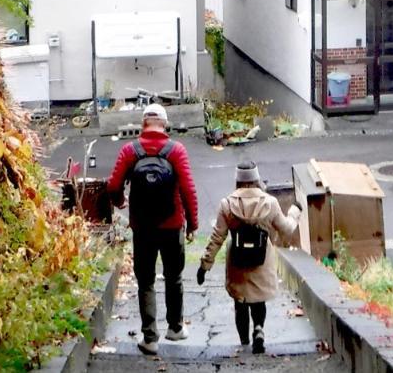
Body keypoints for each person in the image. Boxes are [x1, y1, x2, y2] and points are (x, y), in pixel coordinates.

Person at [107, 103, 199, 355]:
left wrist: (120, 202)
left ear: (143, 124)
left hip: (142, 227)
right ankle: (175, 328)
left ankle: (150, 337)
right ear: (165, 123)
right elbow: (188, 191)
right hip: (172, 226)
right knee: (174, 277)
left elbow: (113, 185)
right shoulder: (176, 150)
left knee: (145, 281)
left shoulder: (130, 150)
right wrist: (192, 224)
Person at [196, 160, 301, 355]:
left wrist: (205, 265)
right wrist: (295, 213)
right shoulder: (270, 203)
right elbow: (286, 229)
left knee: (240, 301)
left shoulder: (227, 204)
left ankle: (244, 341)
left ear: (237, 180)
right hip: (262, 259)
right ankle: (259, 328)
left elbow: (217, 237)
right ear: (256, 179)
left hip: (237, 261)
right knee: (258, 300)